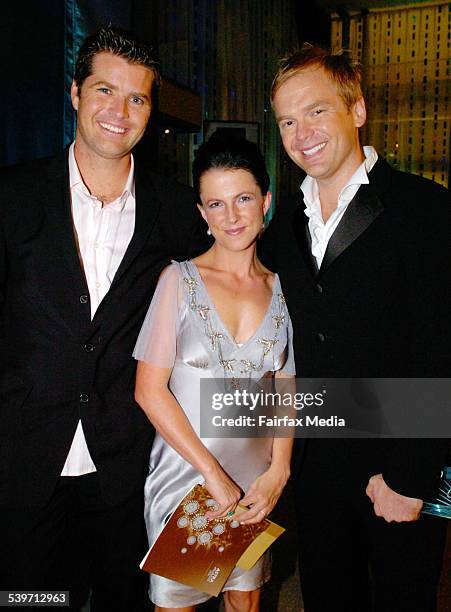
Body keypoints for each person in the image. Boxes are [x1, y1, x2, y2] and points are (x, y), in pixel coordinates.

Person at [0, 26, 209, 610]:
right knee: (31, 600)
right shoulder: (12, 198)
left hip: (126, 467)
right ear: (74, 93)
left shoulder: (176, 210)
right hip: (24, 468)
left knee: (123, 600)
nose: (119, 112)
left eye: (137, 98)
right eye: (104, 91)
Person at [261, 43, 450, 612]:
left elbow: (440, 347)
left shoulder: (425, 209)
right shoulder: (279, 228)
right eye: (288, 121)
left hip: (396, 470)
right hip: (314, 474)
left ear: (357, 110)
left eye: (316, 110)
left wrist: (411, 475)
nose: (302, 133)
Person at [134, 135, 295, 611]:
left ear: (265, 201)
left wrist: (279, 471)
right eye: (216, 204)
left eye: (243, 198)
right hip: (189, 481)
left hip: (256, 482)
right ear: (202, 213)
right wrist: (213, 476)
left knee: (246, 602)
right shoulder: (178, 281)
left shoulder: (283, 287)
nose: (231, 216)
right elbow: (148, 390)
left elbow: (285, 384)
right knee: (177, 603)